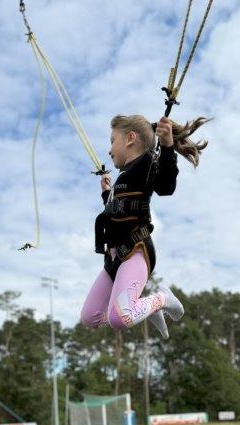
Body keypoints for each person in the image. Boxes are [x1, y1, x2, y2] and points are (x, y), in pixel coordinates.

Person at [80, 113, 209, 338]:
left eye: (113, 140)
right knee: (90, 316)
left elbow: (166, 186)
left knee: (119, 318)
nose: (109, 150)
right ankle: (144, 308)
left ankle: (162, 299)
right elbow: (118, 211)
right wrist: (106, 194)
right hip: (114, 258)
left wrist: (167, 146)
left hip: (135, 251)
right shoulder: (123, 177)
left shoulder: (146, 163)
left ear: (130, 138)